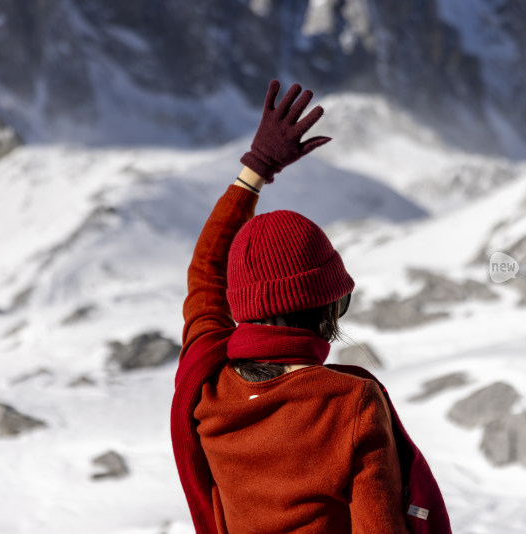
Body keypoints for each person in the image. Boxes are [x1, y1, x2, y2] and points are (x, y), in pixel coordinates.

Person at [171, 80, 450, 533]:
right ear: (324, 307)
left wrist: (254, 170)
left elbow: (205, 270)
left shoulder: (208, 386)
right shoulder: (350, 405)